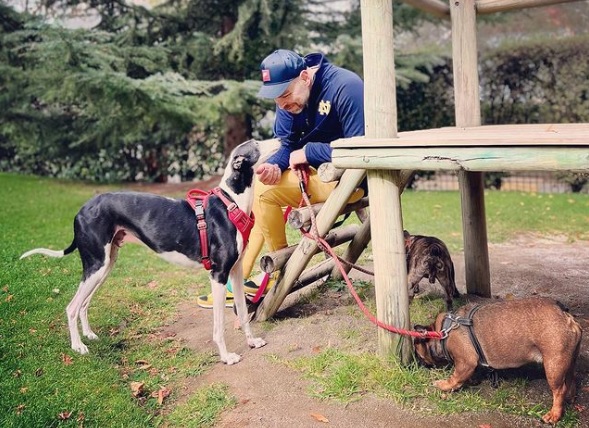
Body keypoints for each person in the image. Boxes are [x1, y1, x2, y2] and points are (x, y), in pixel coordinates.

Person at [197, 49, 365, 308]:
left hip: (350, 182)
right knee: (261, 187)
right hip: (311, 176)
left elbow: (360, 150)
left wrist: (308, 152)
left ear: (305, 77)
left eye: (286, 95)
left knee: (264, 192)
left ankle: (276, 273)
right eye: (276, 99)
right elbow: (286, 146)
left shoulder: (346, 86)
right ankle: (280, 267)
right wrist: (275, 166)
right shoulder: (287, 100)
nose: (282, 105)